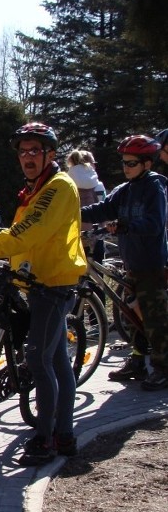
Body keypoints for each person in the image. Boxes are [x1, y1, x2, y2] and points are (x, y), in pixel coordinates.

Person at [0, 122, 87, 466]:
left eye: (35, 151)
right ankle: (65, 433)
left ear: (51, 153)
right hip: (42, 281)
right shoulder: (36, 188)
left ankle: (44, 438)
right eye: (23, 151)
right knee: (58, 360)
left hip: (53, 285)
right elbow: (21, 233)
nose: (28, 158)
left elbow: (28, 233)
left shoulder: (57, 187)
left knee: (38, 359)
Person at [81, 135, 168, 391]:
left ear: (147, 164)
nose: (125, 167)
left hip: (151, 265)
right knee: (131, 317)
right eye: (124, 162)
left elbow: (155, 224)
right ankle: (139, 361)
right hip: (131, 263)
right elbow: (103, 209)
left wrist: (126, 225)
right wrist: (70, 211)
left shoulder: (155, 188)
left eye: (131, 163)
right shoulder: (125, 190)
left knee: (154, 318)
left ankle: (163, 369)